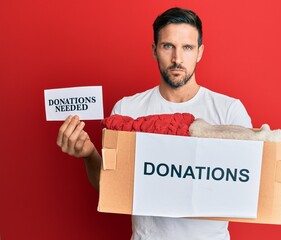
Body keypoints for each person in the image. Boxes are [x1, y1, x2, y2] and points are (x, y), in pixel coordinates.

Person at [57, 7, 252, 240]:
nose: (177, 59)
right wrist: (89, 155)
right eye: (167, 46)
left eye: (187, 48)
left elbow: (246, 187)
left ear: (199, 52)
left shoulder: (229, 112)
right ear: (154, 50)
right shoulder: (127, 111)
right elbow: (112, 188)